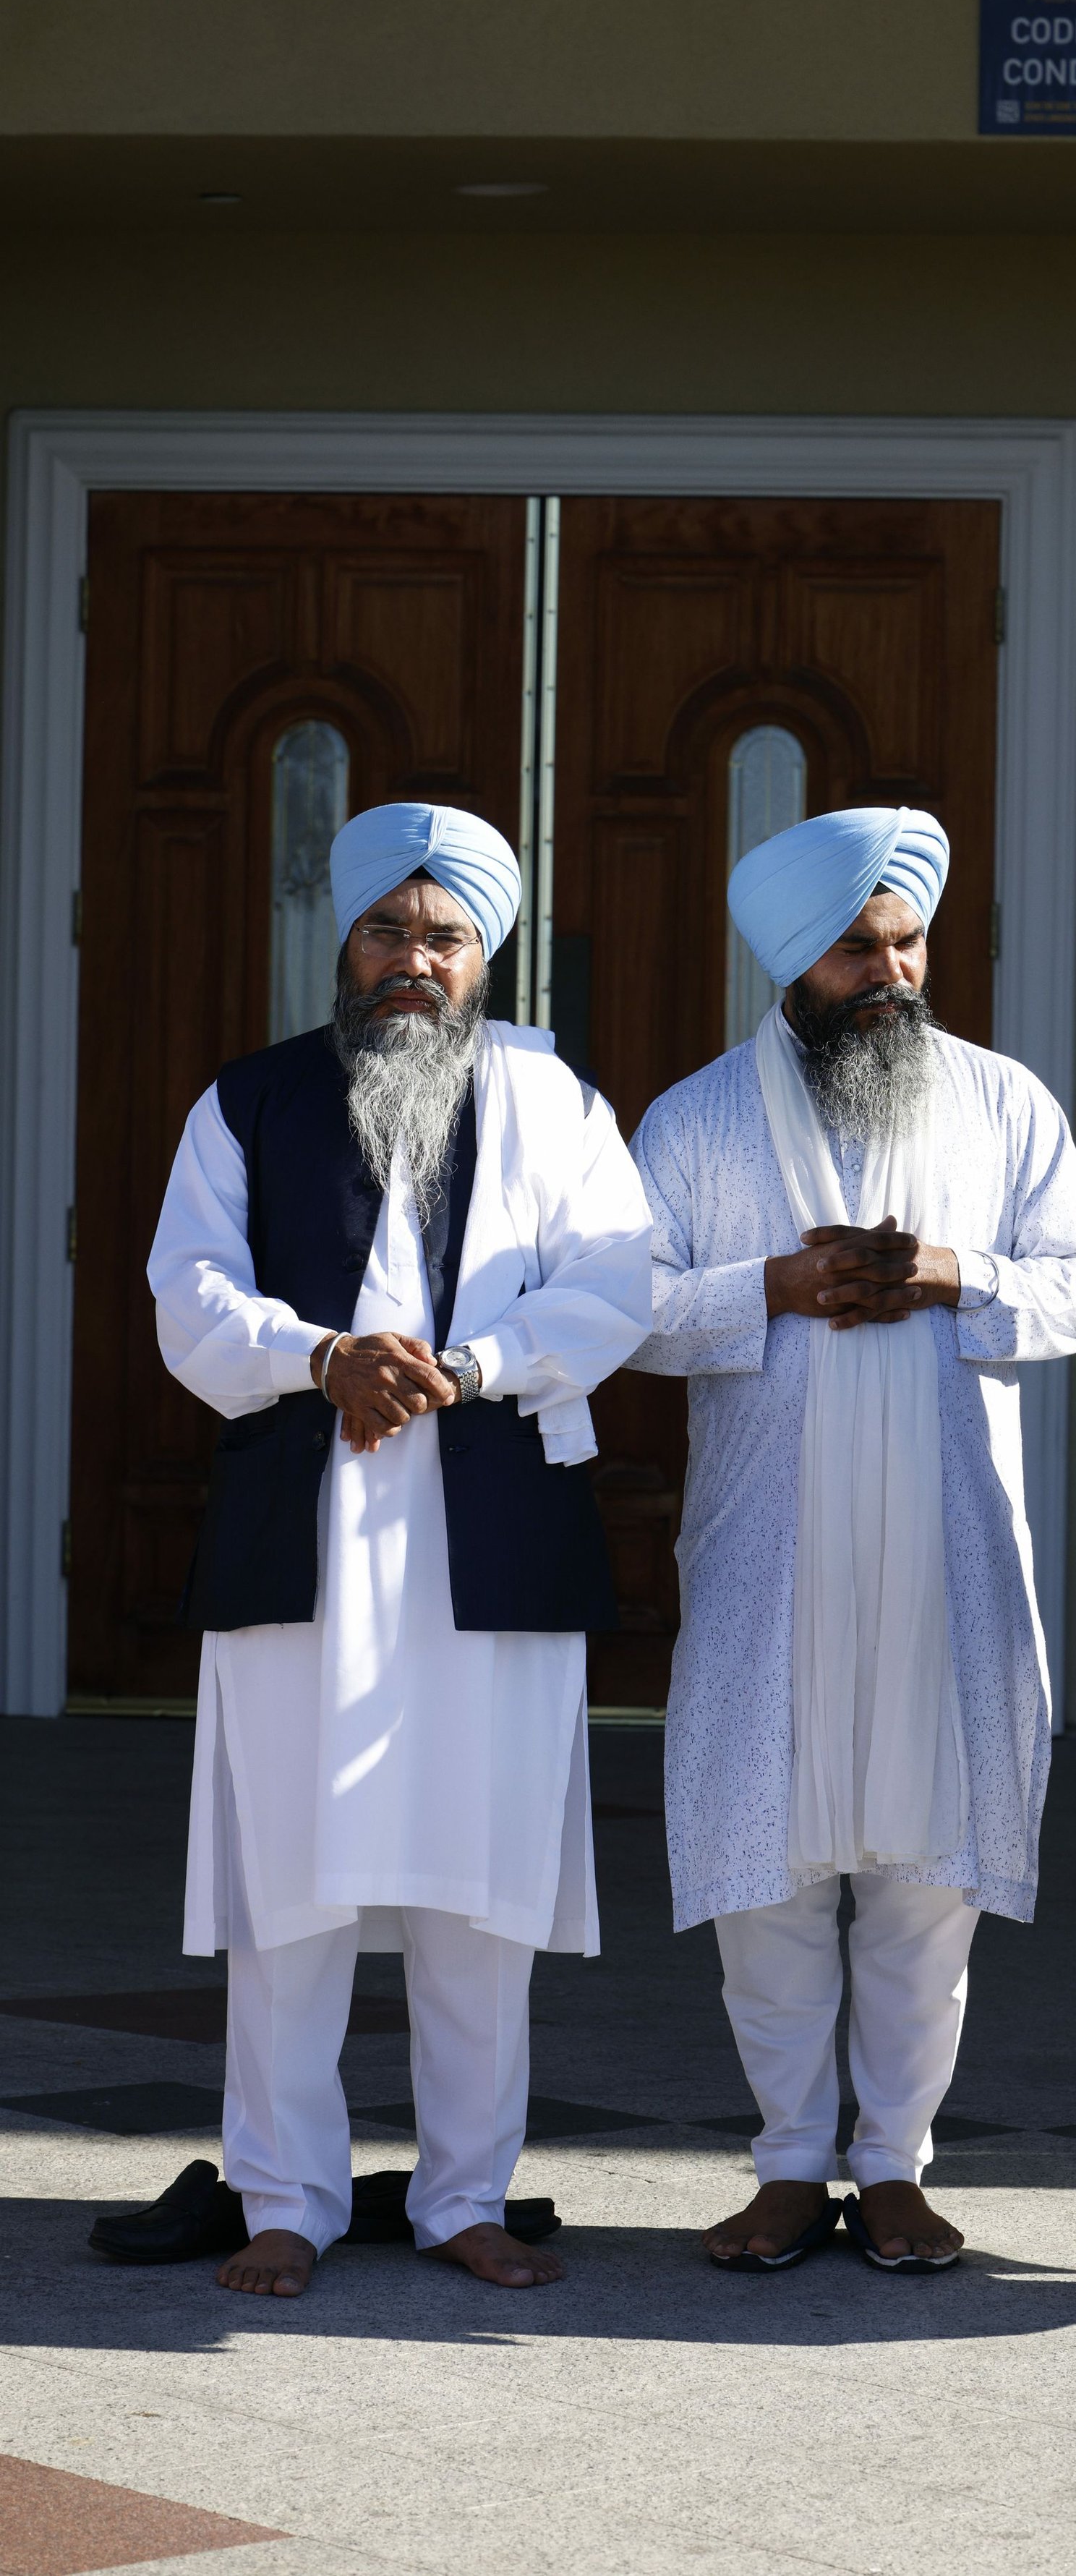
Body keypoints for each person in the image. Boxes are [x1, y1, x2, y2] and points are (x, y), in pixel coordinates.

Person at [148, 802, 652, 2298]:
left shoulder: (557, 1106)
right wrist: (322, 1358)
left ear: (483, 953)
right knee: (287, 1890)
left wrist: (473, 1364)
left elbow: (616, 1281)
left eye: (444, 937)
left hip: (484, 1529)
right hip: (301, 1536)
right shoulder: (245, 1099)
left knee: (478, 1887)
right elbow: (188, 1295)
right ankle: (283, 2198)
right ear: (342, 938)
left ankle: (462, 2197)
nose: (413, 962)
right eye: (387, 929)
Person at [630, 807, 1076, 2269]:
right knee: (768, 1864)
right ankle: (787, 2160)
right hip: (767, 1549)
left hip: (942, 1549)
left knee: (925, 1872)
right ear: (794, 958)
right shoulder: (696, 1117)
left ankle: (893, 2160)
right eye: (860, 947)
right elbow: (621, 1303)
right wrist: (768, 1284)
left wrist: (956, 1274)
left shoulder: (1000, 1102)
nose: (893, 970)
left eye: (908, 941)